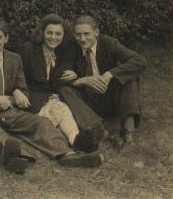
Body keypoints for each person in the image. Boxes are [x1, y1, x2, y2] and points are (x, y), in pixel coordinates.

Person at [0, 19, 105, 174]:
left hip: (8, 109)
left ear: (6, 38)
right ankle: (17, 157)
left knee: (41, 122)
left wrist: (14, 95)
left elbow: (24, 91)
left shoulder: (14, 58)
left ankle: (68, 155)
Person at [19, 14, 103, 152]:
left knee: (64, 110)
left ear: (64, 35)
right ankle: (76, 140)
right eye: (49, 33)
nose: (53, 37)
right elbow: (18, 75)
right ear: (42, 33)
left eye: (58, 34)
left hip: (52, 94)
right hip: (30, 94)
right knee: (58, 110)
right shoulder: (28, 49)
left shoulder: (64, 52)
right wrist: (18, 91)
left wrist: (74, 75)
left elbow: (58, 80)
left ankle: (77, 140)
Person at [58, 15, 147, 145]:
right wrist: (83, 80)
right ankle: (100, 130)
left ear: (96, 32)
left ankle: (128, 130)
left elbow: (140, 61)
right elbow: (58, 79)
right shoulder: (72, 48)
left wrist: (110, 74)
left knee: (130, 78)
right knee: (64, 90)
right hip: (88, 100)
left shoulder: (109, 43)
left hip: (111, 96)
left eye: (86, 34)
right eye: (78, 35)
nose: (82, 39)